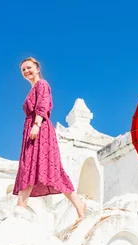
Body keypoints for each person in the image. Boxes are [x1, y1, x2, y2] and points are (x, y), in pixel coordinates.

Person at [13, 57, 86, 219]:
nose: (26, 71)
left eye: (29, 67)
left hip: (40, 130)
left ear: (37, 68)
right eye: (23, 69)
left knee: (46, 168)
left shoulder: (42, 84)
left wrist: (37, 125)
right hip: (32, 130)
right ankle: (21, 206)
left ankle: (21, 207)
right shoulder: (32, 89)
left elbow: (43, 105)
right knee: (29, 166)